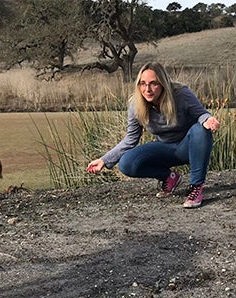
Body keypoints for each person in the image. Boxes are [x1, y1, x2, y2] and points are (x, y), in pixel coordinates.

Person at [86, 62, 220, 208]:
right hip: (164, 149)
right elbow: (130, 140)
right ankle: (169, 177)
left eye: (153, 84)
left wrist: (208, 119)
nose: (147, 89)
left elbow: (201, 114)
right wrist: (104, 160)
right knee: (127, 163)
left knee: (200, 130)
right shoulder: (136, 106)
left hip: (187, 147)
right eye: (143, 84)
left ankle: (196, 187)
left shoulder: (181, 95)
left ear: (163, 84)